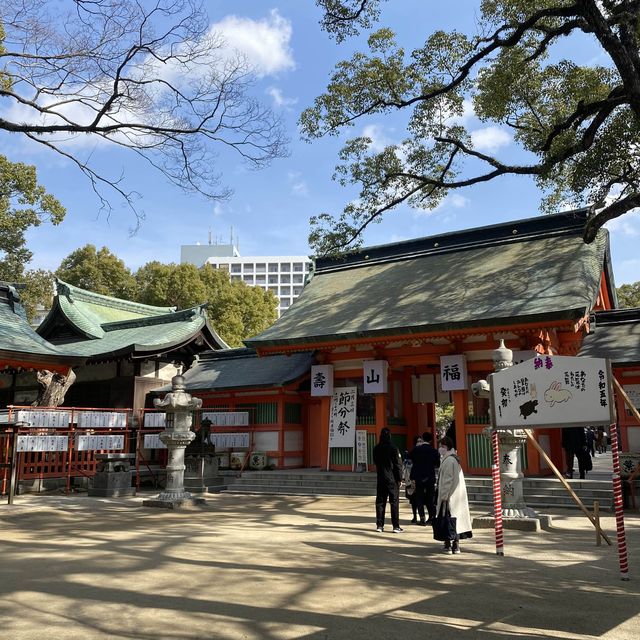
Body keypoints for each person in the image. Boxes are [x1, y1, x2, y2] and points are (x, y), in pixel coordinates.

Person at [435, 436, 472, 554]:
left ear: (448, 447)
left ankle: (449, 544)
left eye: (443, 446)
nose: (441, 448)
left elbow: (448, 480)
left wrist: (444, 495)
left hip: (449, 497)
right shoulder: (452, 459)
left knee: (448, 520)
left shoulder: (449, 460)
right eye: (440, 446)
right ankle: (455, 545)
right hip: (455, 497)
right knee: (455, 521)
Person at [373, 427, 403, 533]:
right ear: (390, 436)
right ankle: (395, 526)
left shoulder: (376, 448)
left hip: (381, 478)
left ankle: (380, 525)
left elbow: (375, 462)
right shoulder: (394, 448)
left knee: (380, 502)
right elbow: (398, 465)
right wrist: (400, 478)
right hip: (392, 479)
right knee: (394, 502)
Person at [409, 431, 440, 525]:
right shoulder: (434, 451)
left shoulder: (416, 449)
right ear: (430, 440)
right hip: (429, 477)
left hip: (418, 477)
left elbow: (410, 458)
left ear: (422, 439)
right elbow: (437, 464)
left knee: (419, 497)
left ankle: (422, 518)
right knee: (430, 498)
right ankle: (431, 517)